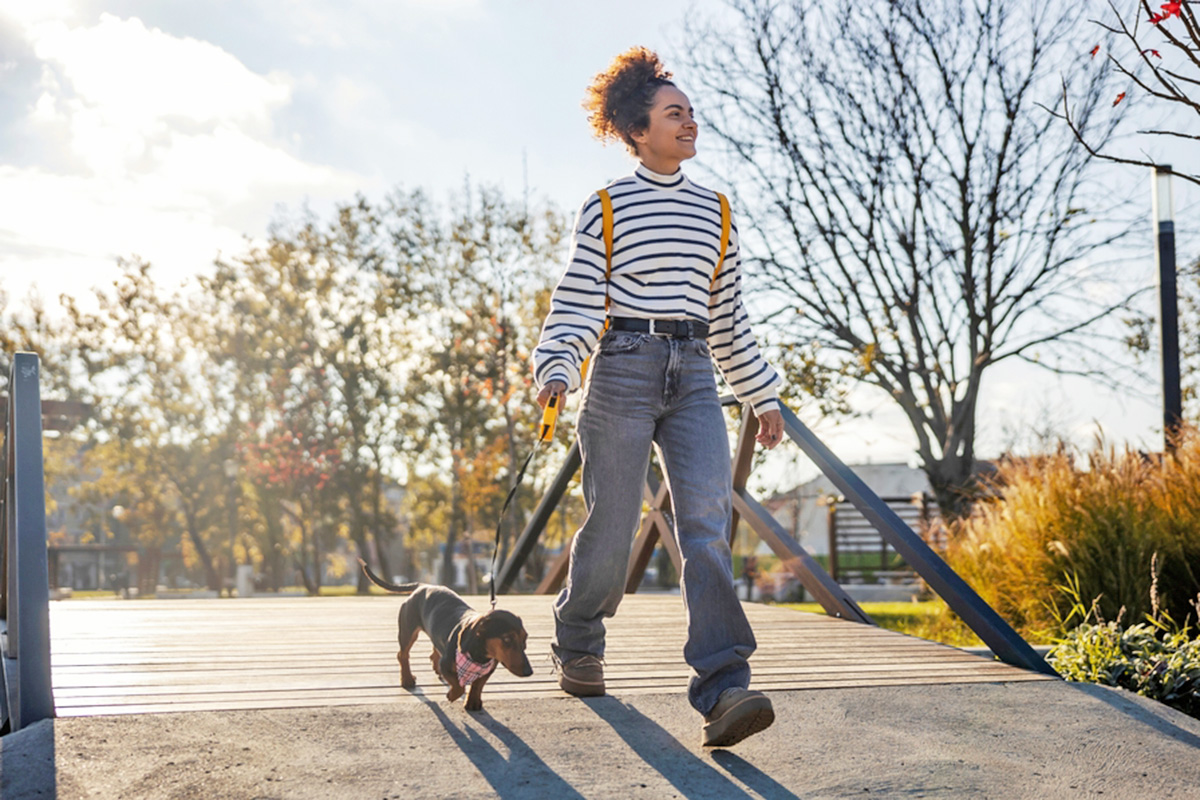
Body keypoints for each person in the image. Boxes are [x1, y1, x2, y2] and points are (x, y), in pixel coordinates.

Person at [531, 46, 785, 748]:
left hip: (697, 371)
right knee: (611, 526)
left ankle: (724, 688)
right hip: (621, 367)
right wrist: (558, 365)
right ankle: (578, 639)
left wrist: (763, 397)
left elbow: (730, 318)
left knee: (706, 527)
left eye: (691, 112)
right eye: (675, 113)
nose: (689, 121)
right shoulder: (608, 205)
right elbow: (580, 297)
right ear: (637, 130)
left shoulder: (717, 213)